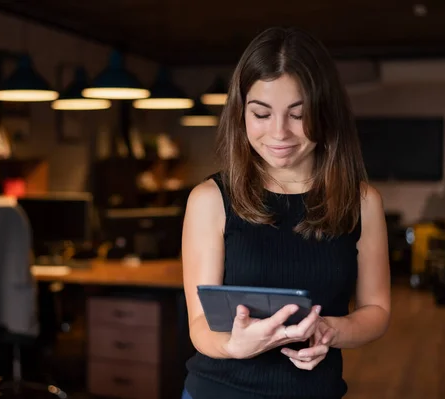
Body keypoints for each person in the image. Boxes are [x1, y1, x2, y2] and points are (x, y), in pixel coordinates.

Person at [181, 26, 391, 399]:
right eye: (261, 114)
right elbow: (199, 326)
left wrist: (330, 329)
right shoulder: (209, 199)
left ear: (326, 113)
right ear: (240, 113)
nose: (279, 133)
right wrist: (234, 346)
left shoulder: (361, 201)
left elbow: (376, 310)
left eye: (299, 114)